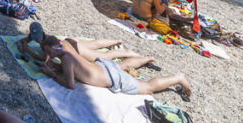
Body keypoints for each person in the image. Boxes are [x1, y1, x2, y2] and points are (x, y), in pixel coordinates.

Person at [38, 38, 192, 100]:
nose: (49, 56)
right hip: (103, 66)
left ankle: (178, 78)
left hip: (111, 77)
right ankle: (146, 58)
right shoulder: (66, 51)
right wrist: (56, 66)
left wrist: (51, 74)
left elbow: (70, 85)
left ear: (55, 47)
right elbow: (75, 68)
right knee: (123, 65)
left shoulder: (65, 59)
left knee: (148, 88)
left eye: (49, 52)